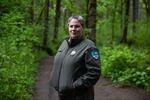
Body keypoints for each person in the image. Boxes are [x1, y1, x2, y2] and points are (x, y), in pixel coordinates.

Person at [50, 15, 101, 100]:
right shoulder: (64, 44)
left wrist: (74, 87)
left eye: (77, 26)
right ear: (68, 27)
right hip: (63, 95)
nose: (73, 29)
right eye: (71, 26)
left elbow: (94, 72)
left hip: (79, 96)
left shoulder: (89, 46)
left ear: (82, 28)